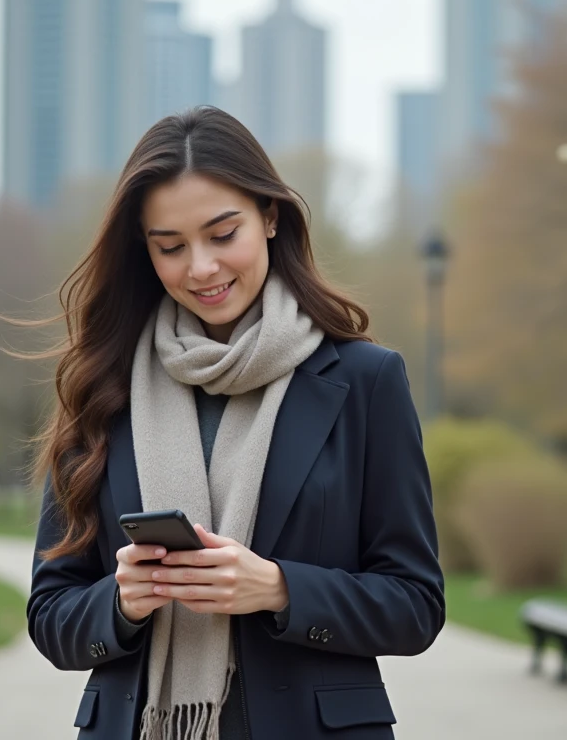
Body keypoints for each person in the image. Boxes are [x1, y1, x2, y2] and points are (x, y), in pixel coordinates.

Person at [26, 106, 444, 740]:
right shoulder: (104, 385)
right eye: (171, 247)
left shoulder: (364, 381)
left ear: (271, 217)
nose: (201, 268)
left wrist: (278, 588)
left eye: (223, 235)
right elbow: (52, 612)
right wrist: (121, 602)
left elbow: (416, 606)